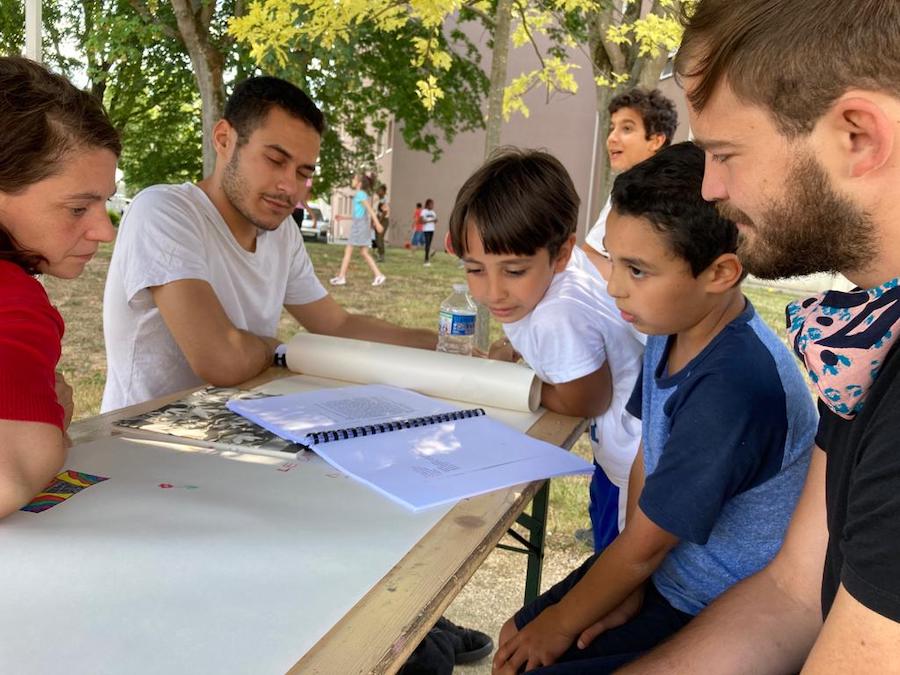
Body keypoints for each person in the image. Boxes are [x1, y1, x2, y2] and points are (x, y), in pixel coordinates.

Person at [620, 1, 900, 672]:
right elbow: (792, 593)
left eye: (724, 154)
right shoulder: (864, 341)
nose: (710, 187)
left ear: (857, 136)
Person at [492, 142, 818, 674]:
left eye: (637, 270)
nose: (614, 285)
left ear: (720, 272)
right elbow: (649, 453)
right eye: (614, 260)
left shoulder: (732, 387)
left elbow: (648, 546)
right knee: (514, 639)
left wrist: (567, 620)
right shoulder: (669, 326)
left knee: (527, 657)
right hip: (667, 570)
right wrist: (629, 575)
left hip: (718, 600)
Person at [102, 77, 433, 412]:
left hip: (229, 434)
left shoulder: (282, 233)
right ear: (224, 140)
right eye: (275, 160)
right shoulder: (164, 212)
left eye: (303, 172)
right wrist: (274, 350)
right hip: (137, 446)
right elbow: (221, 360)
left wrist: (444, 346)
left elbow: (337, 325)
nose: (290, 186)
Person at [448, 148, 644, 555]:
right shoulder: (558, 280)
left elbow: (587, 398)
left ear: (561, 253)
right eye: (474, 268)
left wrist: (523, 386)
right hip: (630, 452)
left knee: (617, 566)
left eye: (514, 271)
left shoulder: (556, 315)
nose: (491, 291)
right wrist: (516, 351)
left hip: (632, 471)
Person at [0, 56, 119, 517]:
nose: (104, 231)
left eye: (105, 203)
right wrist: (49, 420)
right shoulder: (12, 297)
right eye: (77, 208)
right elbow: (6, 481)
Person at [582, 89, 678, 278]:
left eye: (627, 128)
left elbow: (587, 257)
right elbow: (591, 252)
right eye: (612, 127)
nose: (612, 138)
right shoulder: (627, 188)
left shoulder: (666, 194)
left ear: (656, 140)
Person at [330, 173, 385, 286]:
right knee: (364, 252)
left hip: (359, 226)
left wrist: (377, 223)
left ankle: (341, 277)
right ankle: (379, 275)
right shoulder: (361, 194)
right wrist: (343, 217)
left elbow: (370, 210)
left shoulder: (360, 194)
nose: (352, 180)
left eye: (354, 178)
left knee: (349, 250)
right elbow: (359, 215)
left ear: (359, 183)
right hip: (361, 224)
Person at [374, 183, 390, 262]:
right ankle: (379, 253)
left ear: (383, 191)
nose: (378, 191)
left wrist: (378, 222)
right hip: (377, 219)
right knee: (377, 239)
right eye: (378, 190)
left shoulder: (385, 200)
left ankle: (382, 256)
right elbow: (375, 211)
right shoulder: (377, 199)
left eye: (380, 190)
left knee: (380, 238)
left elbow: (384, 212)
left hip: (383, 220)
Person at [420, 198, 437, 266]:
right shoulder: (424, 211)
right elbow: (422, 221)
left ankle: (427, 258)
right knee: (427, 244)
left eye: (433, 204)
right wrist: (431, 220)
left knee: (429, 244)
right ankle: (426, 260)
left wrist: (435, 220)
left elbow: (435, 220)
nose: (432, 205)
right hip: (426, 230)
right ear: (427, 204)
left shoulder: (433, 212)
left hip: (432, 230)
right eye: (431, 204)